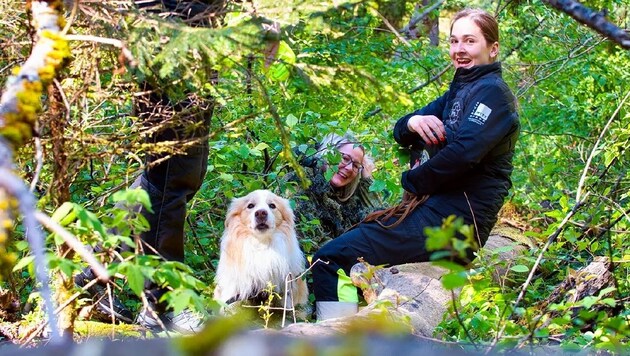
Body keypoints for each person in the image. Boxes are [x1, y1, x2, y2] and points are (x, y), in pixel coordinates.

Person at [310, 8, 520, 321]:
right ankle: (349, 327)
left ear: (493, 48)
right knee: (344, 251)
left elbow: (464, 154)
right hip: (439, 217)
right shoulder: (460, 90)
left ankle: (335, 339)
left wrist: (411, 181)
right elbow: (400, 131)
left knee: (328, 258)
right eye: (454, 41)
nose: (459, 49)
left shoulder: (493, 94)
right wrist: (414, 121)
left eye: (469, 41)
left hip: (454, 225)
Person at [75, 0, 226, 333]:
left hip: (197, 59)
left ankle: (94, 267)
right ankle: (163, 304)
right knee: (171, 180)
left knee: (180, 176)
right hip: (166, 59)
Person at [283, 132, 382, 250]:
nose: (350, 168)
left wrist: (366, 181)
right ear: (326, 153)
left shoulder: (349, 201)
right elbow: (312, 243)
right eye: (345, 158)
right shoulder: (298, 182)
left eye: (356, 166)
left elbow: (381, 228)